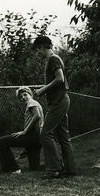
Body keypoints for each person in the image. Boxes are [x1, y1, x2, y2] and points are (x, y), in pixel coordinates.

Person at [33, 35, 76, 179]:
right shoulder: (55, 58)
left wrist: (43, 90)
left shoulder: (53, 59)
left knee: (45, 133)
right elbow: (59, 81)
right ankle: (70, 169)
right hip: (61, 100)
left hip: (59, 101)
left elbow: (60, 79)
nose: (37, 53)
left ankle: (54, 169)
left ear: (42, 47)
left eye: (37, 50)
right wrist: (45, 88)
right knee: (63, 136)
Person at [0, 86, 43, 173]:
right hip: (37, 139)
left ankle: (13, 169)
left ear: (30, 94)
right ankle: (57, 166)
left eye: (25, 95)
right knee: (35, 168)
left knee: (1, 142)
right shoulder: (37, 103)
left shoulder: (31, 102)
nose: (23, 98)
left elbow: (37, 116)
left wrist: (25, 132)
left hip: (32, 136)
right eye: (21, 97)